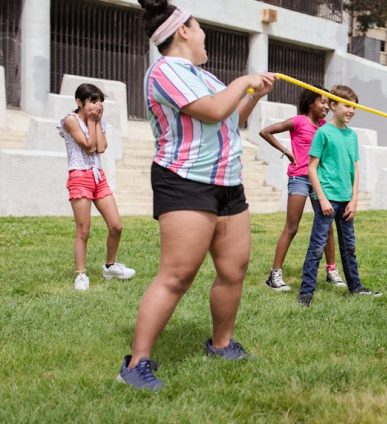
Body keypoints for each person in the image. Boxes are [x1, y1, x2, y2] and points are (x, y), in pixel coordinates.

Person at [118, 0, 275, 391]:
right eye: (201, 28)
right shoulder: (164, 71)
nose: (205, 36)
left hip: (227, 181)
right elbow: (211, 112)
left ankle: (221, 344)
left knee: (234, 269)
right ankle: (136, 363)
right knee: (178, 274)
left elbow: (233, 117)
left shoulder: (201, 75)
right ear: (184, 30)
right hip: (185, 181)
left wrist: (253, 94)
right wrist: (243, 81)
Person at [298, 85, 381, 307]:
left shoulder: (352, 136)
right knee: (317, 246)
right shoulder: (323, 133)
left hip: (346, 199)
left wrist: (354, 199)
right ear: (333, 105)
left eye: (354, 106)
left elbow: (355, 169)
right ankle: (306, 293)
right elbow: (311, 168)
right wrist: (322, 198)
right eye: (347, 105)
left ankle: (356, 287)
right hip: (327, 198)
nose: (351, 110)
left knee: (349, 246)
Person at [259, 88, 345, 292]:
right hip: (299, 178)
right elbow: (265, 132)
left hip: (321, 181)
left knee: (327, 227)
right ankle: (275, 275)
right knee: (292, 227)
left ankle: (331, 271)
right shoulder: (298, 121)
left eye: (328, 103)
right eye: (322, 102)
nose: (326, 106)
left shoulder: (326, 127)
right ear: (310, 103)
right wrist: (287, 151)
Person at [58, 83, 135, 291]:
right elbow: (88, 146)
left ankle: (110, 266)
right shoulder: (70, 120)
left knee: (116, 225)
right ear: (79, 102)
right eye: (93, 100)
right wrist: (92, 121)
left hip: (97, 176)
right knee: (83, 230)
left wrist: (96, 121)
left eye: (100, 100)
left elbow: (100, 148)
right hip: (79, 176)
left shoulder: (99, 121)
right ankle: (81, 274)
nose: (98, 105)